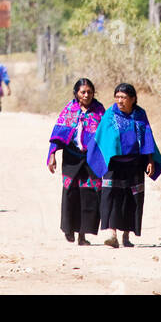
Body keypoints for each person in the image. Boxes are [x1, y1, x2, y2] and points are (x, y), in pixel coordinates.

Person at [85, 81, 161, 248]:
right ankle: (112, 235)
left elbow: (147, 137)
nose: (120, 101)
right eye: (117, 97)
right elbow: (101, 138)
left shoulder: (140, 114)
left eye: (123, 97)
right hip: (114, 165)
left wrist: (150, 160)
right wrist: (102, 160)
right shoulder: (110, 115)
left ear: (133, 99)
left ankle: (126, 236)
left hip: (135, 164)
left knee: (132, 199)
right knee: (111, 198)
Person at [47, 77, 105, 245]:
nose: (86, 95)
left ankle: (82, 235)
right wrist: (52, 155)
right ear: (76, 93)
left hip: (92, 158)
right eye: (83, 92)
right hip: (72, 157)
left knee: (89, 194)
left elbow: (106, 136)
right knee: (70, 192)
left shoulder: (99, 111)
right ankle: (69, 229)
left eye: (89, 92)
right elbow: (58, 134)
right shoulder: (69, 110)